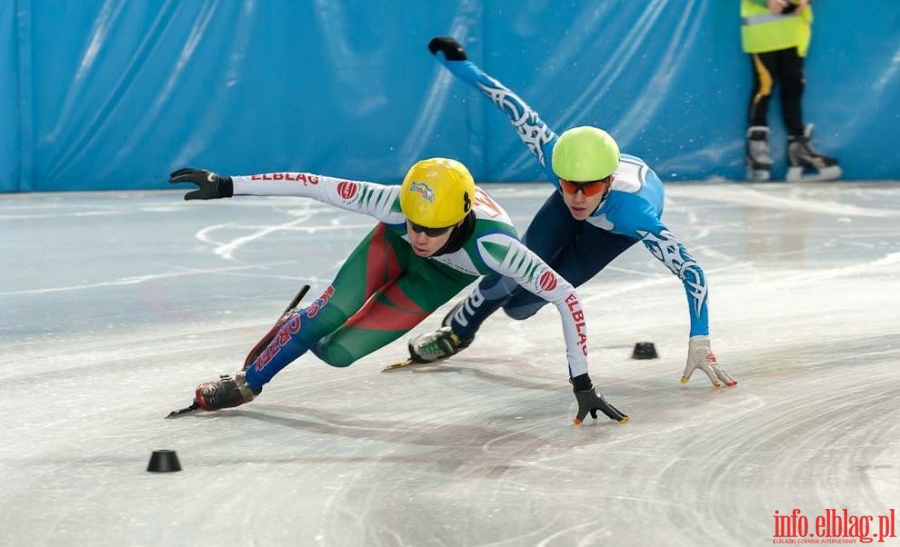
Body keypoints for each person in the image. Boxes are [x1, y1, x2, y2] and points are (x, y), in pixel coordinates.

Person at [168, 158, 628, 425]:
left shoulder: (499, 248)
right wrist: (227, 184)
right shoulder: (391, 204)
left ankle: (296, 327)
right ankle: (248, 383)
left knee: (338, 354)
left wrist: (581, 382)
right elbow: (311, 185)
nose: (423, 237)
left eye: (435, 230)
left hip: (440, 280)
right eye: (416, 224)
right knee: (333, 312)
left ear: (463, 219)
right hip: (389, 248)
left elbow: (567, 297)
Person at [408, 37, 737, 391]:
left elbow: (691, 271)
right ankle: (459, 330)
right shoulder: (556, 162)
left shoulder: (635, 214)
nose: (578, 198)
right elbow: (512, 105)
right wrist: (459, 64)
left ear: (608, 181)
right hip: (578, 211)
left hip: (612, 229)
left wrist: (699, 339)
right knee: (512, 268)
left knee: (520, 307)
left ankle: (489, 303)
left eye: (590, 187)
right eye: (569, 185)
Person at [730, 0, 841, 182]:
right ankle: (757, 145)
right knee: (765, 86)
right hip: (763, 31)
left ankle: (797, 147)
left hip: (795, 30)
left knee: (794, 86)